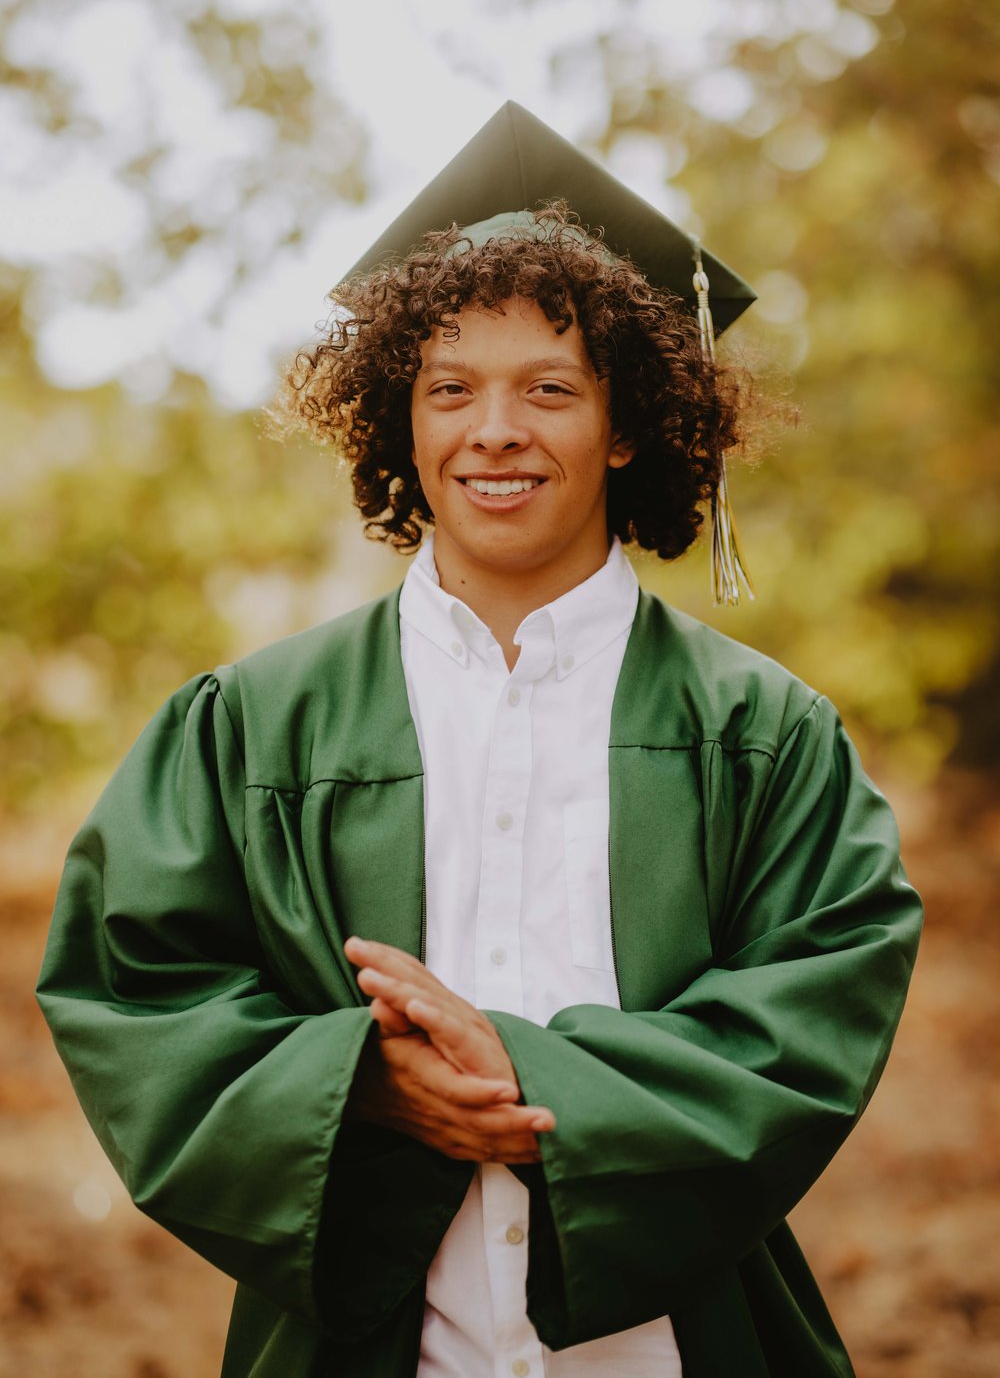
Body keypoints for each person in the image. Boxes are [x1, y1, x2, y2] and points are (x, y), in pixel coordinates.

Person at [37, 102, 922, 1378]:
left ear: (625, 425)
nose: (492, 429)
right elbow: (138, 990)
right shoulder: (254, 722)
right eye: (448, 388)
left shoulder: (759, 732)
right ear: (400, 420)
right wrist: (359, 1083)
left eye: (549, 389)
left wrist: (534, 1079)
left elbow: (814, 1003)